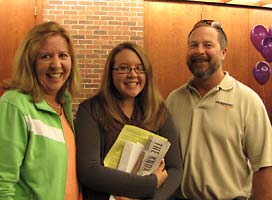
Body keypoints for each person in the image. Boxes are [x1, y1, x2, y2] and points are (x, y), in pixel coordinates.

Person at [166, 19, 272, 200]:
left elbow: (264, 166)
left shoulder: (248, 101)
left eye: (208, 45)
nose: (199, 51)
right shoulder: (173, 101)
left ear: (223, 52)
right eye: (193, 45)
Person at [75, 42, 182, 200]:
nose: (133, 74)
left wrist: (152, 197)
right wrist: (149, 184)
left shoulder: (159, 111)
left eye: (139, 68)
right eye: (124, 68)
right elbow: (89, 170)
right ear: (111, 73)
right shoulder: (90, 110)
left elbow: (175, 169)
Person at [0, 21, 81, 199]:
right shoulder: (15, 105)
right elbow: (2, 184)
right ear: (30, 63)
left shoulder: (64, 105)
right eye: (45, 56)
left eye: (63, 55)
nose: (56, 64)